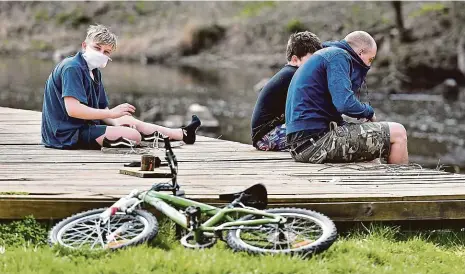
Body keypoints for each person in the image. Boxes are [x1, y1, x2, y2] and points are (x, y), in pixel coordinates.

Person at [41, 24, 201, 149]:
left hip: (83, 125)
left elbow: (102, 110)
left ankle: (183, 133)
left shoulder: (94, 71)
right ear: (84, 46)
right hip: (66, 133)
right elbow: (73, 110)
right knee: (133, 136)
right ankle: (130, 137)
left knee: (127, 120)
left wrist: (115, 120)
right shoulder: (72, 68)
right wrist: (112, 114)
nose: (101, 54)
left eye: (107, 52)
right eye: (97, 48)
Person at [285, 31, 408, 164]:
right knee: (398, 133)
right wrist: (369, 112)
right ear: (360, 52)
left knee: (372, 149)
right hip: (315, 143)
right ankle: (398, 182)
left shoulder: (325, 55)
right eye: (370, 59)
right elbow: (344, 104)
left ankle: (377, 183)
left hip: (301, 145)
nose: (369, 65)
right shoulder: (338, 56)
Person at [250, 31, 322, 151]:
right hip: (266, 135)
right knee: (318, 131)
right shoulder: (293, 75)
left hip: (271, 131)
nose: (315, 65)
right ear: (294, 59)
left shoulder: (292, 73)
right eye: (311, 61)